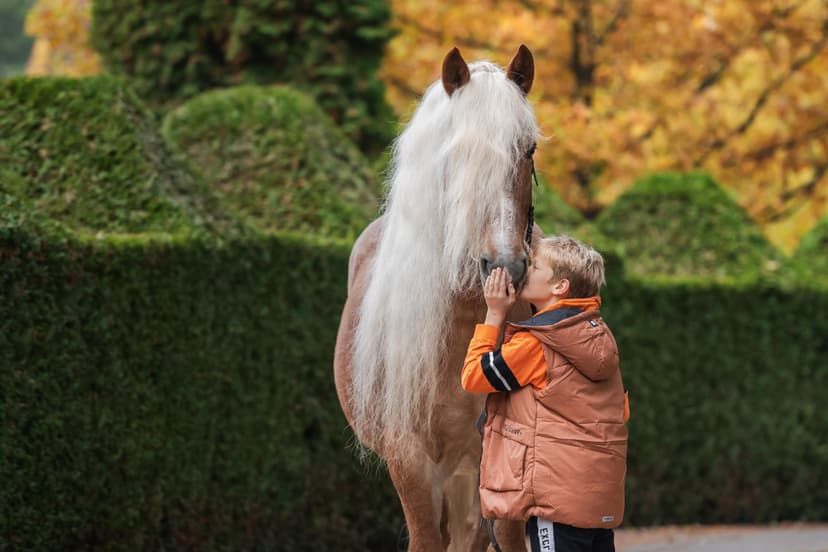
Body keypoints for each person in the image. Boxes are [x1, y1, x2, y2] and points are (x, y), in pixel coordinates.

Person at [462, 235, 629, 552]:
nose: (526, 269)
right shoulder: (597, 333)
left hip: (556, 500)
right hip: (596, 500)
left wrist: (494, 314)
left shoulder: (538, 343)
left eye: (536, 265)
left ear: (559, 287)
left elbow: (474, 376)